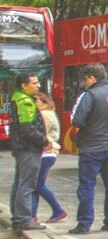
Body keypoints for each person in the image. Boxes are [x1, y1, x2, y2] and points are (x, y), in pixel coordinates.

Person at [69, 63, 108, 234]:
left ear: (92, 78)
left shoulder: (90, 95)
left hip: (92, 148)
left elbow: (77, 120)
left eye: (86, 79)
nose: (85, 83)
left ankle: (84, 223)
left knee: (87, 185)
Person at [9, 73, 49, 232]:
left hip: (21, 148)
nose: (38, 86)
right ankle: (24, 219)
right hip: (29, 149)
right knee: (27, 184)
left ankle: (18, 218)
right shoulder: (25, 102)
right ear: (24, 86)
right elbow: (27, 129)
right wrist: (44, 141)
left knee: (19, 183)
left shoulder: (17, 98)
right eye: (34, 83)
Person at [32, 92, 68, 224]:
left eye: (37, 101)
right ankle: (32, 215)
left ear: (45, 103)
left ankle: (57, 210)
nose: (35, 104)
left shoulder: (45, 114)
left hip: (46, 153)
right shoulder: (49, 113)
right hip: (47, 153)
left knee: (38, 184)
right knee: (35, 185)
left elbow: (41, 134)